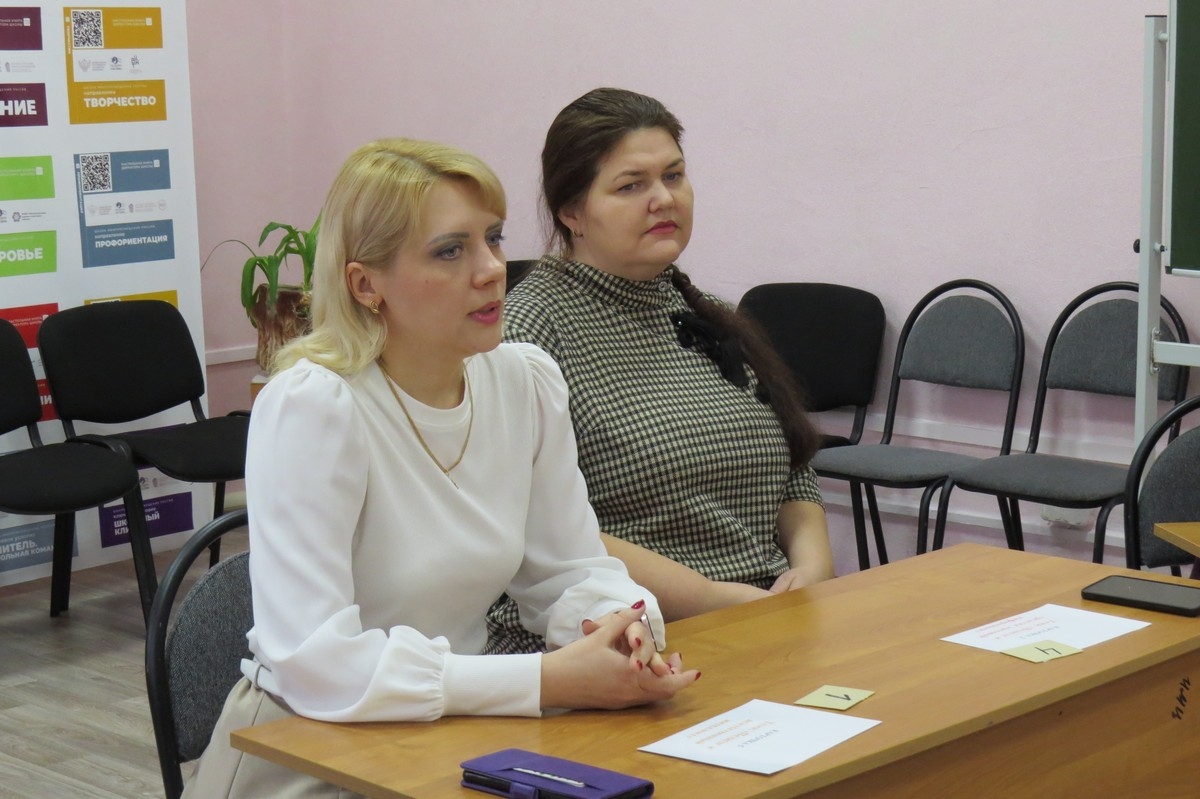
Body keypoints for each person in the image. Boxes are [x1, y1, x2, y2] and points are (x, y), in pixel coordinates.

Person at [184, 138, 698, 798]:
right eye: (450, 251)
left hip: (449, 735)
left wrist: (618, 628)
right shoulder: (315, 405)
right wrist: (545, 680)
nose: (492, 269)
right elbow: (315, 662)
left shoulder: (522, 381)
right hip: (307, 756)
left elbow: (569, 569)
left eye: (493, 238)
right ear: (365, 284)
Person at [487, 88, 834, 655]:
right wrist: (711, 598)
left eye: (673, 176)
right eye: (631, 185)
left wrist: (812, 569)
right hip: (618, 640)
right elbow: (529, 530)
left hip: (762, 615)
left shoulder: (707, 313)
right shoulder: (527, 332)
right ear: (571, 212)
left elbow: (792, 468)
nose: (663, 199)